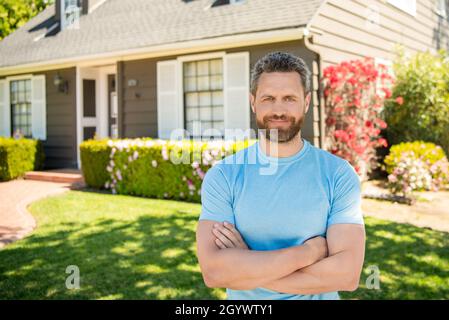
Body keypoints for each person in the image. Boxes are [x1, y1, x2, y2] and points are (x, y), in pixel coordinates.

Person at [196, 51, 365, 300]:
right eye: (268, 98)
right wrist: (307, 253)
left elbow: (347, 275)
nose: (278, 110)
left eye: (289, 98)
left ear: (306, 102)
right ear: (253, 102)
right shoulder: (224, 176)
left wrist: (248, 265)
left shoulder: (338, 174)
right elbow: (214, 273)